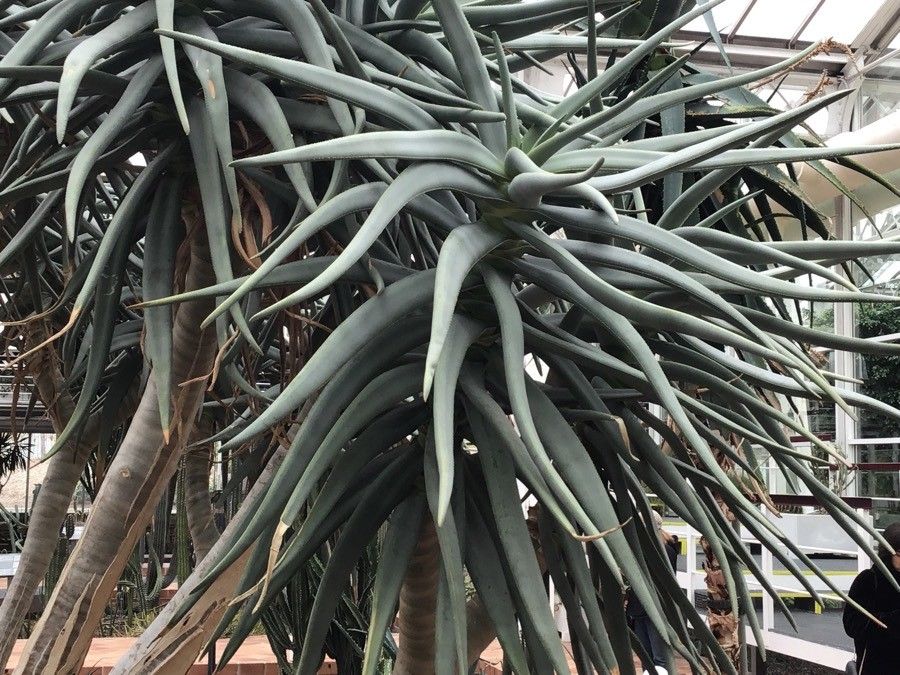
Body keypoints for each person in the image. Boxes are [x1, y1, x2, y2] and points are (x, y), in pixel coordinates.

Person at [627, 510, 680, 675]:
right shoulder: (642, 550)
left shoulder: (666, 551)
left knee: (659, 658)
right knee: (646, 657)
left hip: (657, 609)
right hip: (639, 607)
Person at [842, 521, 900, 674]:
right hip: (876, 665)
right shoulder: (868, 580)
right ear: (888, 553)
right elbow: (852, 624)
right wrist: (891, 621)